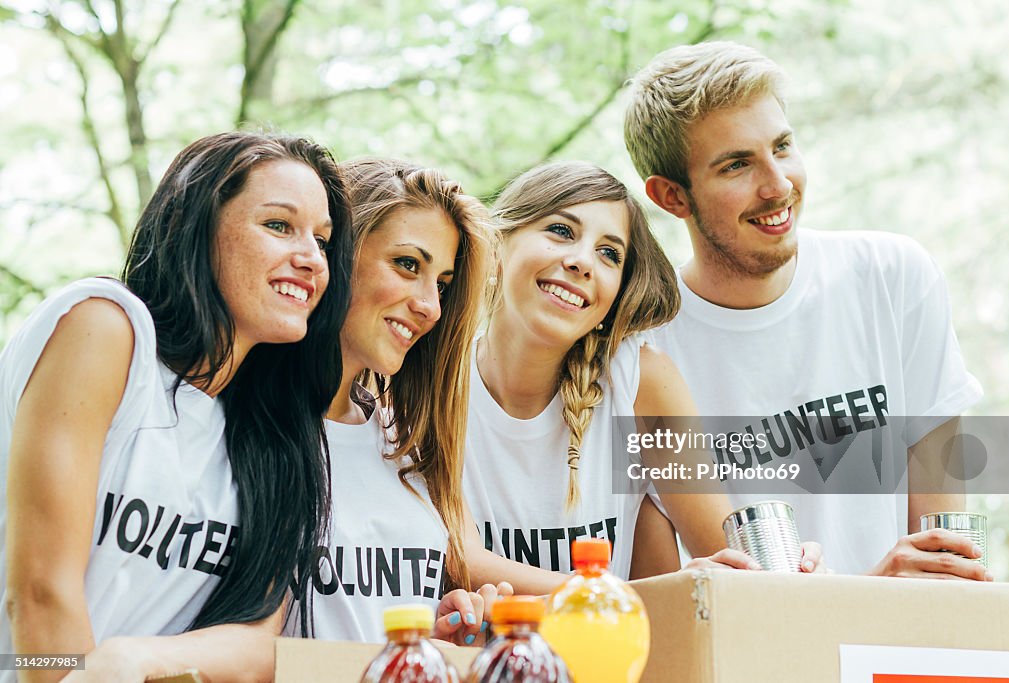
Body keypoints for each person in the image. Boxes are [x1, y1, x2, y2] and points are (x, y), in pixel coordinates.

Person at [623, 41, 988, 579]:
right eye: (737, 165)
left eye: (783, 146)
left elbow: (945, 552)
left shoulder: (894, 276)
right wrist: (876, 587)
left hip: (906, 649)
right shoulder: (645, 357)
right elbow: (744, 597)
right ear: (672, 197)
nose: (778, 185)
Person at [0, 131, 353, 682]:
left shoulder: (275, 435)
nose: (311, 259)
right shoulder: (106, 328)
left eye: (323, 240)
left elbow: (260, 641)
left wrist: (136, 658)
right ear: (195, 226)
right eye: (279, 226)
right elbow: (39, 593)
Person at [461, 161, 822, 586]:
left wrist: (790, 567)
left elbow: (738, 566)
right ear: (496, 244)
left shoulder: (638, 382)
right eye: (561, 231)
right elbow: (458, 558)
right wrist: (623, 596)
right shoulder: (435, 381)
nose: (582, 262)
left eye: (609, 254)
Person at [293, 158, 509, 646]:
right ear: (337, 249)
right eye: (408, 265)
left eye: (442, 285)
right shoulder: (251, 424)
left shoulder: (406, 440)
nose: (430, 306)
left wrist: (436, 636)